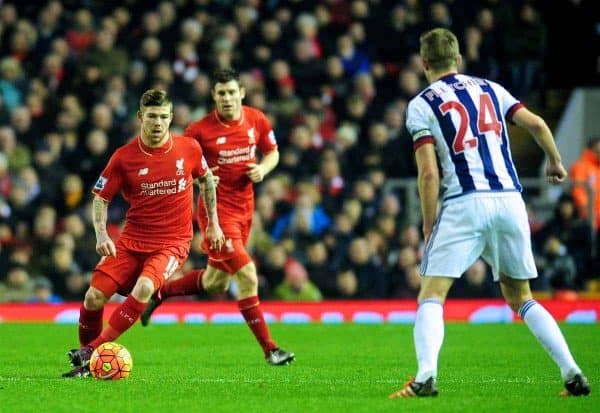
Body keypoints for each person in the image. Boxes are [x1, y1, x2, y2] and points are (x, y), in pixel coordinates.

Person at [388, 28, 590, 398]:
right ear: (459, 59)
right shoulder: (491, 89)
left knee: (432, 294)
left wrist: (428, 222)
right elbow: (538, 124)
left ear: (424, 63)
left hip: (464, 201)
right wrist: (555, 161)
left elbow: (429, 173)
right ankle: (572, 373)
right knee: (522, 297)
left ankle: (425, 377)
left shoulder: (421, 104)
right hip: (510, 201)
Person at [62, 89, 224, 377]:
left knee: (146, 288)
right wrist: (101, 234)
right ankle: (88, 365)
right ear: (140, 118)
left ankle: (93, 350)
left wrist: (213, 223)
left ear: (171, 117)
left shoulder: (189, 148)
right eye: (152, 116)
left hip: (172, 243)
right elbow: (100, 198)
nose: (158, 123)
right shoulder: (124, 158)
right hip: (131, 242)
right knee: (93, 298)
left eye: (163, 116)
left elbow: (207, 181)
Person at [141, 68, 295, 366]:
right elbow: (178, 164)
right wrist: (201, 177)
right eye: (220, 93)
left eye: (231, 92)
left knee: (215, 283)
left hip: (245, 211)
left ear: (242, 93)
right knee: (248, 275)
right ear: (213, 96)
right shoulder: (199, 131)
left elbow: (273, 152)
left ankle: (159, 293)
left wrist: (263, 169)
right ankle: (270, 349)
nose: (226, 98)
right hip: (217, 215)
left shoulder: (256, 120)